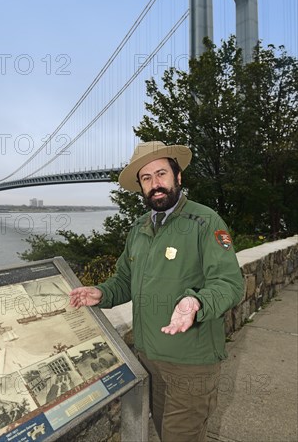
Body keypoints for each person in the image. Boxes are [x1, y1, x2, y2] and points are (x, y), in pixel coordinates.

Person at [70, 141, 244, 442]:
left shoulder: (205, 221)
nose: (155, 184)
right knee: (166, 434)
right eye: (146, 178)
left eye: (161, 174)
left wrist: (196, 302)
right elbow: (125, 280)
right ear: (140, 187)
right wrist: (101, 293)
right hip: (149, 358)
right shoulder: (139, 228)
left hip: (190, 364)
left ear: (178, 178)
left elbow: (230, 283)